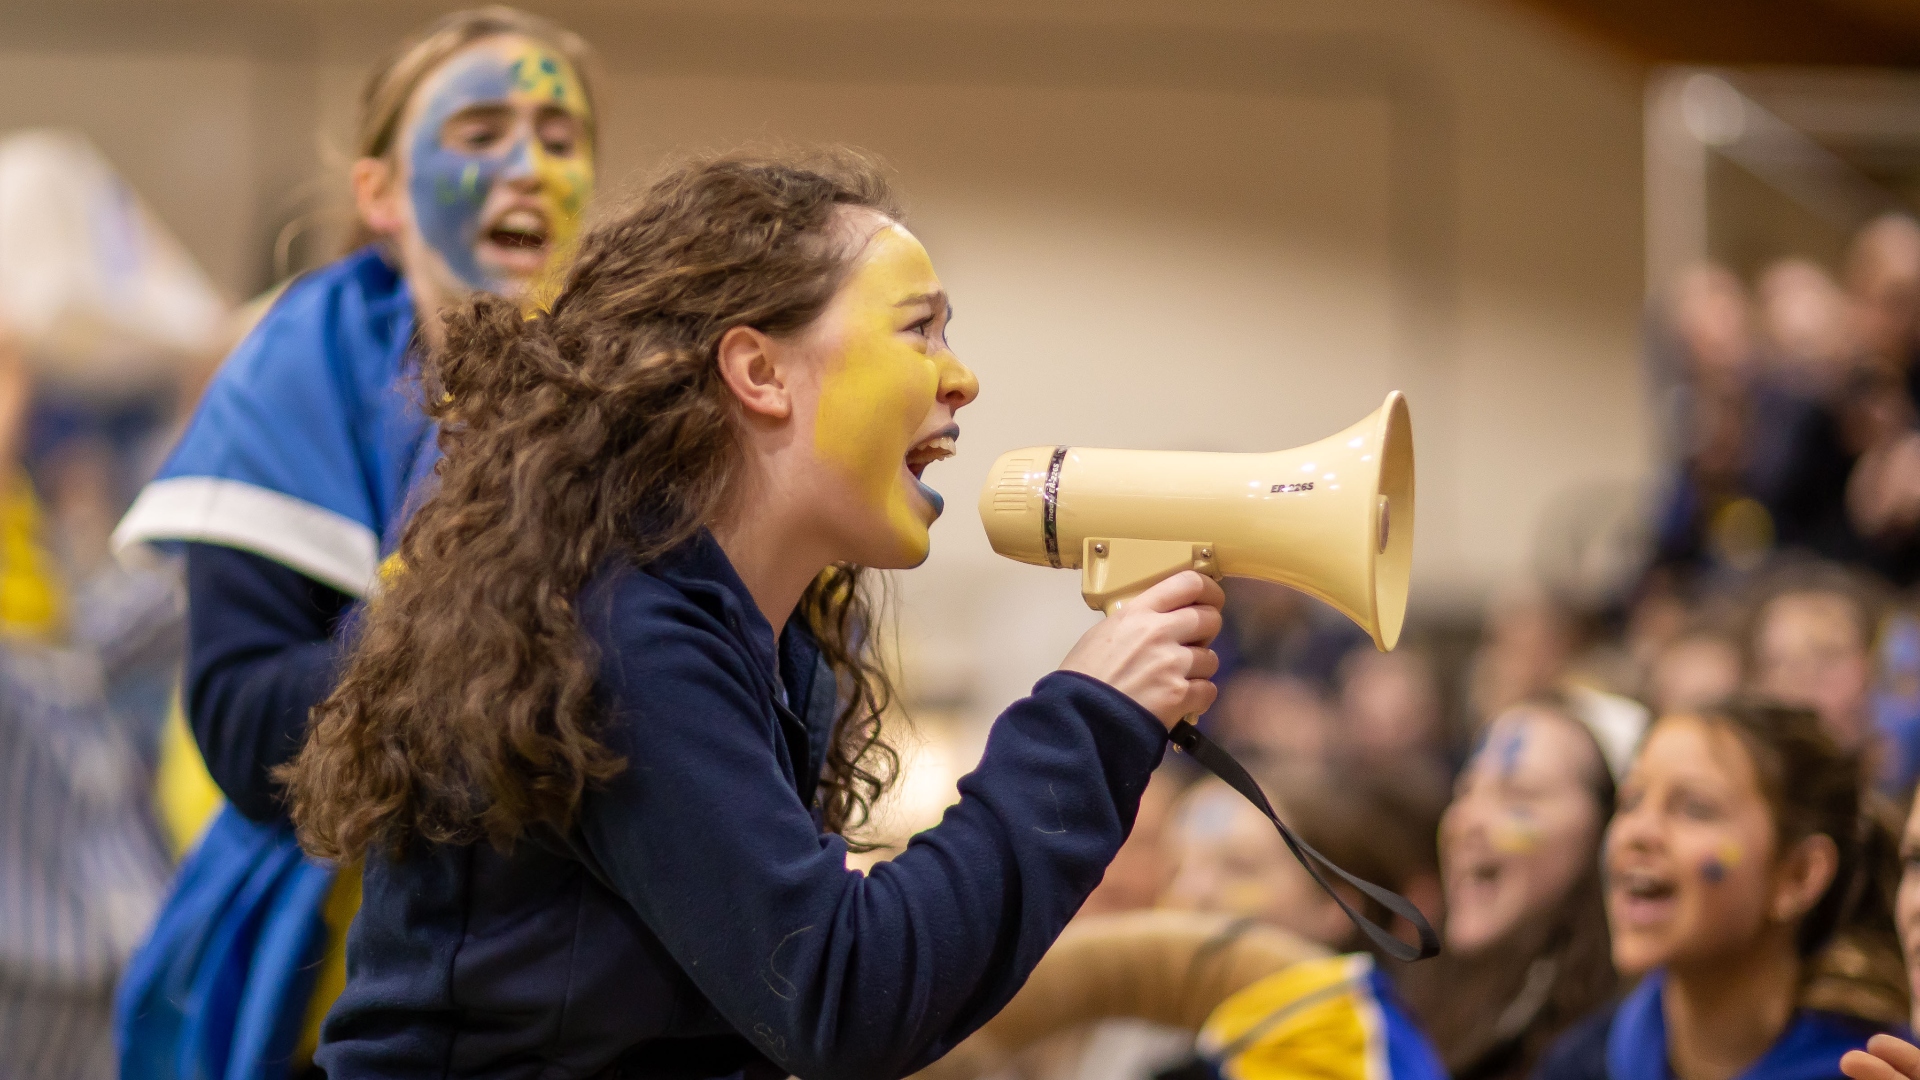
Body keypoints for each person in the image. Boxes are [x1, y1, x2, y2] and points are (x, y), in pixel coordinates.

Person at [278, 150, 1225, 1078]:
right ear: (759, 372)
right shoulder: (619, 632)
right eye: (919, 332)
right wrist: (1092, 715)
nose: (960, 377)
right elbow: (842, 995)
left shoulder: (769, 639)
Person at [110, 8, 599, 1076]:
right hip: (336, 982)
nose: (528, 167)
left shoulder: (632, 396)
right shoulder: (290, 378)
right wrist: (456, 626)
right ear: (379, 194)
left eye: (560, 140)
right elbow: (243, 729)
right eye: (479, 135)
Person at [1537, 702, 1909, 1080]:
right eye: (1631, 801)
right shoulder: (1582, 1063)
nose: (1637, 833)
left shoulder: (1876, 1071)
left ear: (1798, 875)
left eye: (1695, 809)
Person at [1416, 695, 1625, 1080]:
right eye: (1465, 790)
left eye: (1519, 794)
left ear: (1603, 833)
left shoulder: (1615, 1043)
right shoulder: (1409, 993)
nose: (1467, 820)